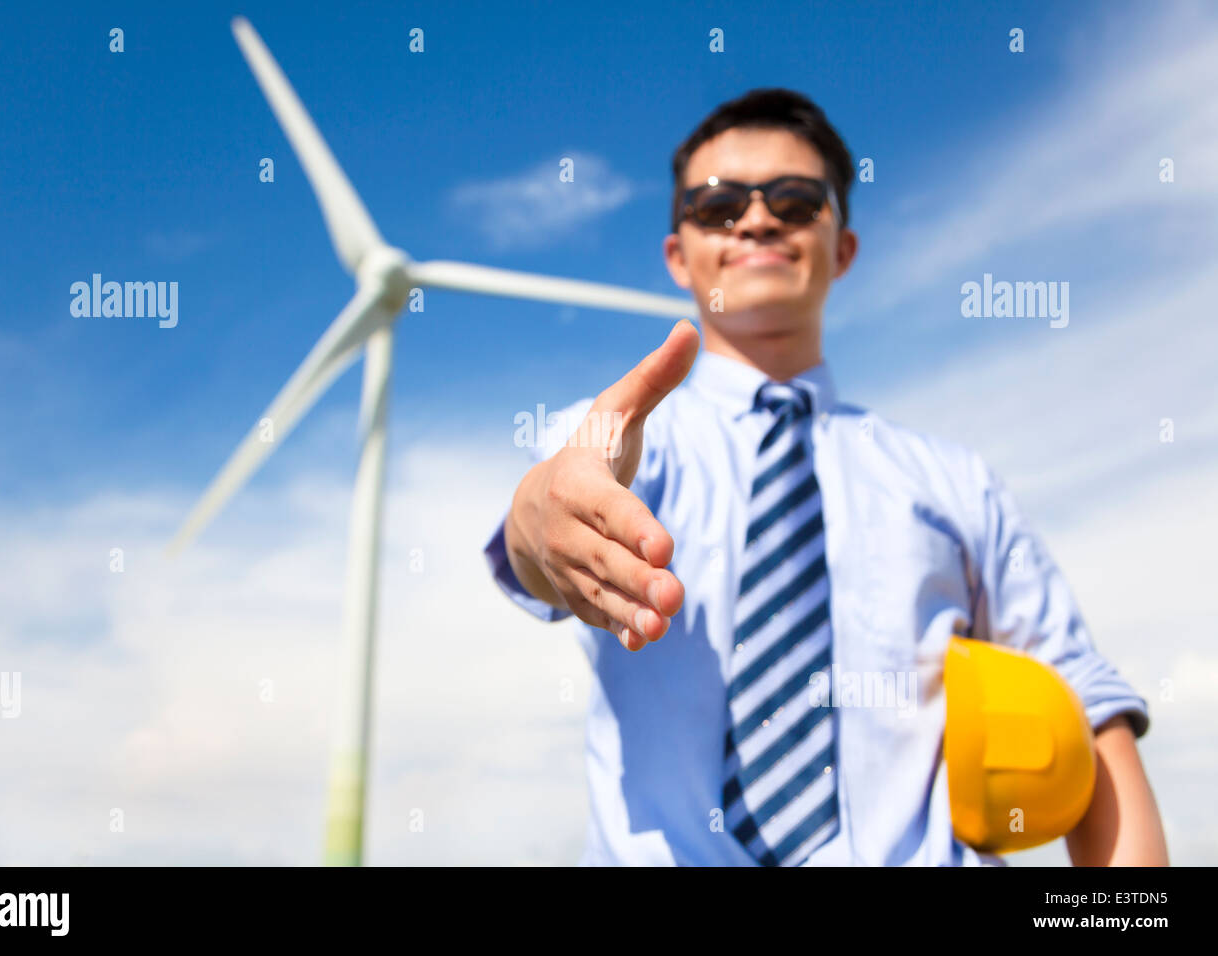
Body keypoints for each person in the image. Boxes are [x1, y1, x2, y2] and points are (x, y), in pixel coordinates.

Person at [482, 88, 1168, 866]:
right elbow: (544, 520)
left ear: (842, 247)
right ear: (678, 254)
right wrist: (548, 515)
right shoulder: (621, 437)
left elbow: (1084, 700)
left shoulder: (952, 482)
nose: (757, 218)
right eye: (716, 205)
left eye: (797, 199)